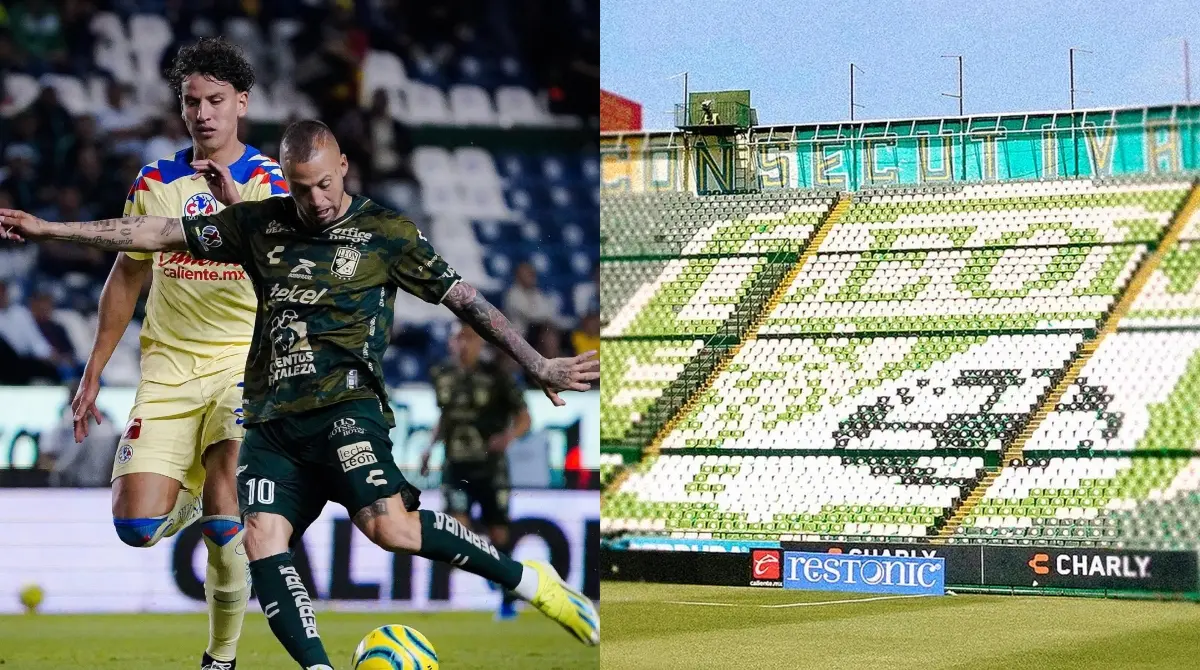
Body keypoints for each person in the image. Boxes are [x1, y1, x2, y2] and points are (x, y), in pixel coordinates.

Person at [0, 118, 600, 669]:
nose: (315, 200)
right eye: (300, 187)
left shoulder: (386, 232)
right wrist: (51, 226)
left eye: (323, 184)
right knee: (259, 539)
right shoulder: (260, 225)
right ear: (284, 180)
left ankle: (531, 582)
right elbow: (154, 231)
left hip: (345, 411)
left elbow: (465, 300)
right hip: (269, 419)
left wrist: (537, 363)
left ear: (343, 165)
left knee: (389, 529)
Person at [70, 37, 289, 670]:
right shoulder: (156, 181)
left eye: (216, 100)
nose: (203, 113)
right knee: (136, 528)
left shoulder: (271, 183)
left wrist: (237, 210)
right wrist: (93, 373)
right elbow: (127, 277)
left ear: (241, 103)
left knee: (228, 520)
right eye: (191, 101)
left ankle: (220, 657)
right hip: (167, 370)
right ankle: (186, 499)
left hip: (244, 368)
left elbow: (287, 268)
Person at [420, 323, 531, 621]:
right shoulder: (441, 375)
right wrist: (429, 449)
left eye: (469, 338)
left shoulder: (497, 376)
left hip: (491, 468)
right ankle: (490, 571)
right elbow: (445, 415)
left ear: (481, 344)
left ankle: (506, 596)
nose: (463, 344)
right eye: (458, 338)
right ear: (450, 343)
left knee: (499, 534)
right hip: (456, 466)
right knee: (458, 531)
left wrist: (508, 438)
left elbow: (524, 417)